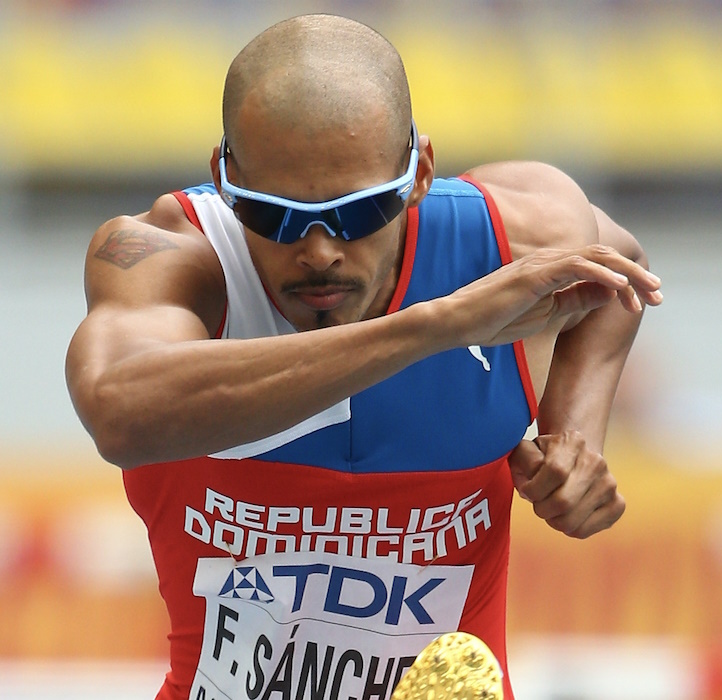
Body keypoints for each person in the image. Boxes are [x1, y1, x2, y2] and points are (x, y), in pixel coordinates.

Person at [65, 13, 662, 700]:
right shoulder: (173, 257)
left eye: (357, 211)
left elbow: (621, 271)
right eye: (276, 215)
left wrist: (572, 436)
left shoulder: (510, 238)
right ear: (225, 181)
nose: (319, 250)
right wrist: (433, 325)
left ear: (419, 174)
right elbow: (119, 410)